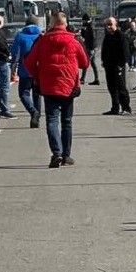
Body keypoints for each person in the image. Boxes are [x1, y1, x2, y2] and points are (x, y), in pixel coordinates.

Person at [24, 12, 89, 168]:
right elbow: (85, 63)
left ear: (51, 24)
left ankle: (56, 153)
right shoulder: (74, 40)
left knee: (52, 120)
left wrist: (37, 76)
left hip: (48, 86)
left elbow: (29, 62)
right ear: (65, 24)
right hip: (69, 86)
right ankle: (66, 156)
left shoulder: (42, 40)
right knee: (67, 122)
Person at [11, 16, 43, 128]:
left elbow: (15, 54)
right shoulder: (40, 36)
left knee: (24, 93)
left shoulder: (20, 36)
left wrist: (13, 67)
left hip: (25, 70)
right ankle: (36, 119)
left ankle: (33, 111)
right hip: (39, 70)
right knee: (37, 94)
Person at [100, 16, 131, 115]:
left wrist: (121, 64)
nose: (109, 27)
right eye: (107, 25)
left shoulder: (121, 36)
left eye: (110, 24)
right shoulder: (107, 36)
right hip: (109, 66)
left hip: (118, 66)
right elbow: (104, 50)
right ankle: (115, 108)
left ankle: (126, 108)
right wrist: (103, 61)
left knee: (121, 88)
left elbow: (125, 52)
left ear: (115, 24)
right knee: (112, 88)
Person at [79, 14, 100, 85]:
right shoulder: (88, 27)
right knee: (93, 63)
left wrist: (91, 48)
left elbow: (92, 38)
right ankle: (96, 79)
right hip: (92, 48)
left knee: (86, 63)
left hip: (91, 48)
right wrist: (83, 32)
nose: (82, 22)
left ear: (86, 20)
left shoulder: (90, 27)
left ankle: (82, 79)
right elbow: (87, 37)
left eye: (83, 20)